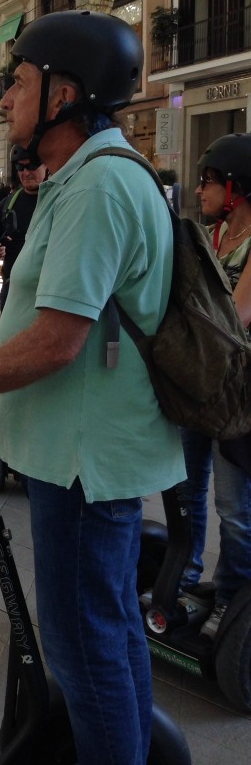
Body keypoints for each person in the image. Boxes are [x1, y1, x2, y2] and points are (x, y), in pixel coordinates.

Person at [0, 12, 183, 765]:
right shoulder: (86, 178)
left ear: (65, 94)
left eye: (21, 83)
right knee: (110, 631)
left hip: (83, 461)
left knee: (86, 649)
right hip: (80, 452)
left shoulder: (99, 187)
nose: (6, 100)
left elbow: (60, 341)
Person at [178, 133, 251, 638]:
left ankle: (232, 599)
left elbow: (236, 317)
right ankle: (184, 579)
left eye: (208, 182)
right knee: (186, 489)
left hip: (238, 398)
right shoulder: (214, 234)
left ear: (237, 187)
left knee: (234, 506)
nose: (199, 191)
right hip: (201, 383)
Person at [0, 145, 47, 310]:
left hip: (45, 295)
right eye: (20, 167)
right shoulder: (7, 204)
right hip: (12, 293)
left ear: (46, 165)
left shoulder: (59, 201)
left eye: (32, 166)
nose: (26, 172)